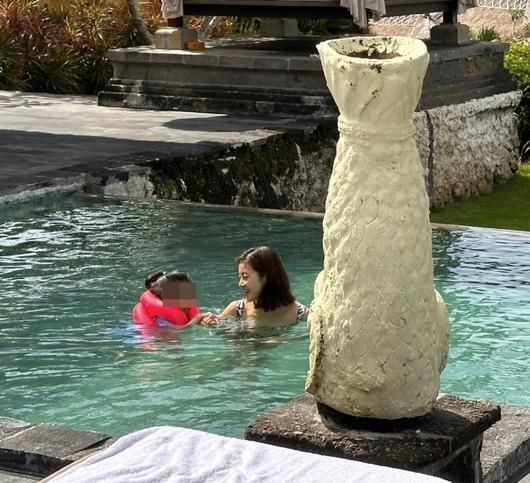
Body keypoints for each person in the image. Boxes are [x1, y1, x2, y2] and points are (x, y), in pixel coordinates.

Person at [203, 246, 308, 327]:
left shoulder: (300, 314)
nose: (240, 284)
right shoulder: (238, 310)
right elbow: (217, 329)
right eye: (240, 277)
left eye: (245, 277)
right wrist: (208, 322)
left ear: (265, 277)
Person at [133, 270, 211, 329]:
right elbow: (177, 330)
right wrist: (197, 319)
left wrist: (206, 320)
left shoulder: (187, 306)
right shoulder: (160, 317)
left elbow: (194, 318)